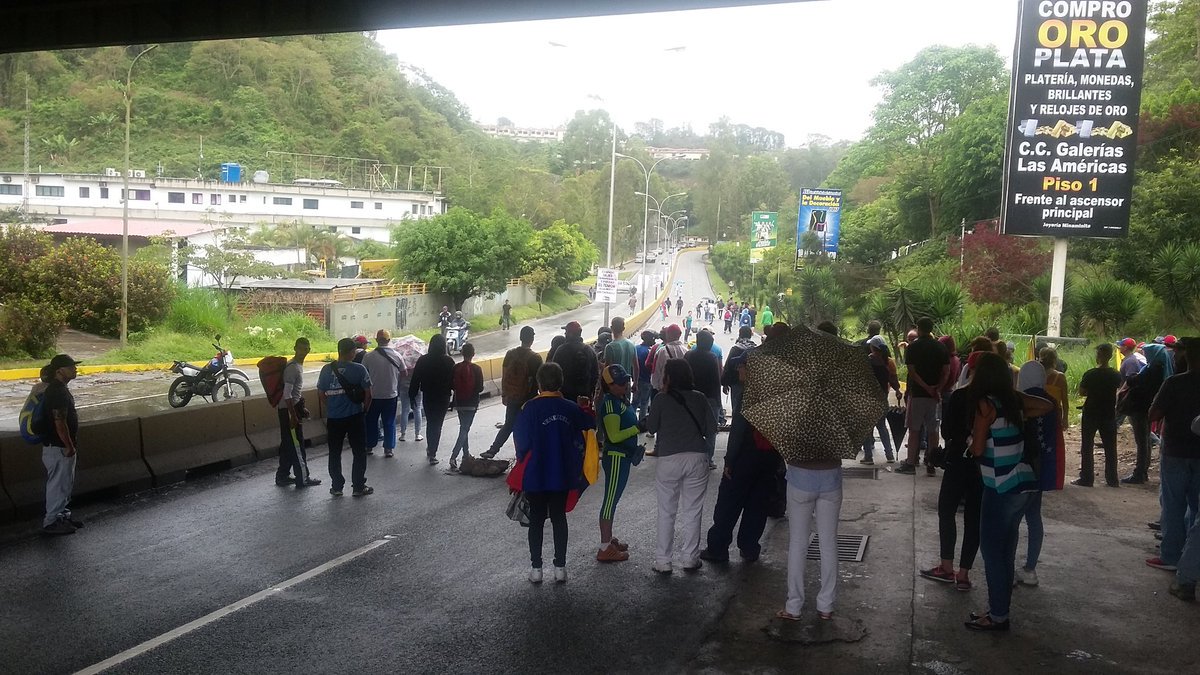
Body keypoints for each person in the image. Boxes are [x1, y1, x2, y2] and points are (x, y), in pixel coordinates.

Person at [963, 352, 1054, 631]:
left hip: (999, 486)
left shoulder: (985, 405)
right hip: (1023, 484)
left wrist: (969, 444)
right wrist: (1019, 400)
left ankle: (998, 615)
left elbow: (977, 449)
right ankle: (1000, 611)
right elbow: (1047, 406)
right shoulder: (1013, 401)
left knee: (992, 553)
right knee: (1006, 551)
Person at [515, 363, 595, 583]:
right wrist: (585, 407)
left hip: (536, 474)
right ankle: (560, 567)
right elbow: (590, 424)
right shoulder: (570, 408)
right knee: (559, 518)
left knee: (537, 520)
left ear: (539, 384)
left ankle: (536, 569)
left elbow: (521, 443)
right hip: (562, 472)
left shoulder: (529, 408)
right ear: (560, 382)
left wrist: (522, 458)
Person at [701, 358, 780, 563]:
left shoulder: (749, 396)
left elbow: (737, 431)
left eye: (742, 366)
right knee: (757, 505)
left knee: (728, 504)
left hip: (745, 457)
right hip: (769, 458)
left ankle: (718, 548)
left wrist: (729, 461)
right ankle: (749, 547)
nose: (739, 370)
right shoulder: (778, 396)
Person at [642, 359, 717, 574]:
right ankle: (690, 558)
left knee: (667, 511)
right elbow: (711, 427)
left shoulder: (661, 399)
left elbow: (652, 427)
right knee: (693, 510)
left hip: (669, 459)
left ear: (668, 377)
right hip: (696, 457)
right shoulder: (700, 398)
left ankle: (663, 561)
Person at [919, 384, 981, 591]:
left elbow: (946, 431)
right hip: (983, 465)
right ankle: (963, 575)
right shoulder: (998, 398)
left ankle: (947, 566)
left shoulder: (960, 395)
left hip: (957, 460)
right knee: (973, 519)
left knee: (947, 511)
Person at [1147, 337, 1200, 575]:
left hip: (1176, 450)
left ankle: (1170, 555)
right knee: (1196, 509)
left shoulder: (1175, 383)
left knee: (1173, 504)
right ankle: (1192, 559)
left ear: (1188, 356)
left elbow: (1154, 414)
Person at [1014, 361, 1057, 588]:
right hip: (1041, 469)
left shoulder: (1019, 400)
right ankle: (1030, 568)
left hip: (1018, 467)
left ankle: (1007, 567)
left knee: (1011, 519)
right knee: (1034, 519)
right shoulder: (1052, 402)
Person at [318, 338, 374, 497]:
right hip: (355, 416)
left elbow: (321, 393)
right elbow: (369, 394)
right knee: (359, 451)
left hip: (334, 418)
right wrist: (364, 410)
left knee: (334, 452)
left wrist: (331, 407)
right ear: (352, 352)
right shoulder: (359, 369)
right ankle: (358, 486)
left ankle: (337, 486)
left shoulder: (326, 369)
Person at [597, 365, 639, 562]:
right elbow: (613, 436)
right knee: (610, 501)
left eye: (626, 381)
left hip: (621, 457)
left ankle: (608, 540)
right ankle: (605, 547)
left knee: (612, 500)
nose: (626, 385)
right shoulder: (610, 404)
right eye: (621, 382)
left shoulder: (618, 400)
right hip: (616, 456)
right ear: (609, 386)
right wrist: (637, 428)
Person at [897, 318, 949, 476]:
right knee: (933, 431)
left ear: (919, 329)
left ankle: (911, 463)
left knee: (914, 430)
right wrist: (937, 388)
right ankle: (931, 463)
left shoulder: (913, 347)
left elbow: (912, 372)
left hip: (918, 394)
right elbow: (946, 371)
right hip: (934, 396)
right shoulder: (941, 347)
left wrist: (925, 387)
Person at [483, 326, 543, 459]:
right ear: (532, 339)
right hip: (530, 399)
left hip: (513, 397)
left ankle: (493, 450)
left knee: (509, 424)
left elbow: (504, 376)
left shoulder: (510, 354)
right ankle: (529, 455)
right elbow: (540, 380)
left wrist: (505, 394)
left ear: (520, 338)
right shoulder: (535, 358)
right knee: (531, 427)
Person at [40, 354, 82, 535]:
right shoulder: (57, 391)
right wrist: (68, 445)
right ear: (59, 371)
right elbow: (59, 422)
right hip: (58, 447)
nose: (75, 369)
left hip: (61, 446)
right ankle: (51, 522)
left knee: (65, 484)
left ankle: (62, 516)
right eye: (71, 367)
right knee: (58, 484)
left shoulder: (60, 388)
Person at [1123, 342, 1172, 484]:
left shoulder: (1151, 370)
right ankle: (1143, 470)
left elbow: (1133, 381)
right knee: (1145, 440)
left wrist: (1133, 377)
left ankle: (1140, 472)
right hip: (1148, 407)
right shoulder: (1161, 368)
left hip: (1140, 408)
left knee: (1142, 441)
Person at [1075, 343, 1122, 487]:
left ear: (1100, 356)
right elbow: (1118, 389)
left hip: (1091, 412)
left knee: (1087, 446)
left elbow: (1082, 392)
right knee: (1110, 446)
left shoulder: (1090, 374)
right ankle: (1112, 479)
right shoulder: (1115, 374)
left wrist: (1093, 392)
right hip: (1108, 412)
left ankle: (1087, 478)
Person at [276, 337, 319, 487]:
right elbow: (287, 394)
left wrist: (301, 408)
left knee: (288, 444)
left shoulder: (297, 366)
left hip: (291, 409)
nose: (303, 352)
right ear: (295, 348)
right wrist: (293, 415)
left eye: (305, 348)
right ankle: (303, 478)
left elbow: (294, 393)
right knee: (297, 446)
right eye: (300, 348)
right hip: (288, 411)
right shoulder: (293, 368)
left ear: (309, 350)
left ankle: (282, 476)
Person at [409, 333, 455, 465]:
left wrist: (412, 396)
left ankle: (431, 450)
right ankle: (433, 452)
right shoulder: (449, 361)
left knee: (430, 423)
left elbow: (415, 379)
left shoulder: (423, 360)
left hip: (428, 396)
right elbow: (454, 381)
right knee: (438, 425)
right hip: (443, 397)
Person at [684, 329, 723, 470]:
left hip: (691, 397)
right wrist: (719, 402)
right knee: (711, 430)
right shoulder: (712, 357)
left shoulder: (688, 355)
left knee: (692, 427)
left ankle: (690, 456)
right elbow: (716, 380)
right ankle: (708, 460)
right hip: (710, 397)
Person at [363, 330, 402, 458]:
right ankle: (388, 449)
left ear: (376, 340)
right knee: (389, 422)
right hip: (391, 395)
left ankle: (369, 446)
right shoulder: (397, 355)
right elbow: (404, 372)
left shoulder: (368, 357)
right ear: (389, 340)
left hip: (374, 396)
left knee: (371, 421)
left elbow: (363, 374)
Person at [861, 335, 900, 464]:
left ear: (872, 347)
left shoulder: (867, 361)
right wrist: (898, 390)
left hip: (868, 399)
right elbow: (894, 381)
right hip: (882, 398)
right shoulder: (889, 362)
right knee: (882, 427)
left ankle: (868, 457)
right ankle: (889, 455)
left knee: (867, 429)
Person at [448, 343, 484, 472]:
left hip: (460, 403)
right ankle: (453, 457)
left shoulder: (456, 367)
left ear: (462, 353)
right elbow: (480, 388)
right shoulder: (477, 369)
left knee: (464, 428)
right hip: (472, 403)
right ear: (473, 354)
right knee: (464, 430)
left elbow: (452, 385)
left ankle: (466, 455)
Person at [552, 321, 599, 406]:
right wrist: (589, 392)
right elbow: (595, 375)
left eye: (566, 332)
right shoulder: (589, 350)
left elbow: (553, 373)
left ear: (570, 334)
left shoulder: (561, 350)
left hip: (565, 398)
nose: (565, 334)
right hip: (584, 398)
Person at [603, 317, 639, 395]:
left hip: (614, 387)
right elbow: (636, 367)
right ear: (623, 328)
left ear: (611, 328)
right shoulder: (631, 344)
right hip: (627, 385)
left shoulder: (610, 347)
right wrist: (635, 383)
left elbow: (607, 369)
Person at [650, 324, 687, 397]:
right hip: (680, 391)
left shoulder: (661, 352)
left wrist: (657, 388)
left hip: (663, 390)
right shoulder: (686, 351)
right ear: (679, 335)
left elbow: (655, 372)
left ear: (667, 335)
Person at [634, 330, 657, 422]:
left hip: (637, 380)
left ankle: (631, 420)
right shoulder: (649, 352)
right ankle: (641, 422)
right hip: (647, 381)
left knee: (634, 402)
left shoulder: (635, 348)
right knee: (644, 403)